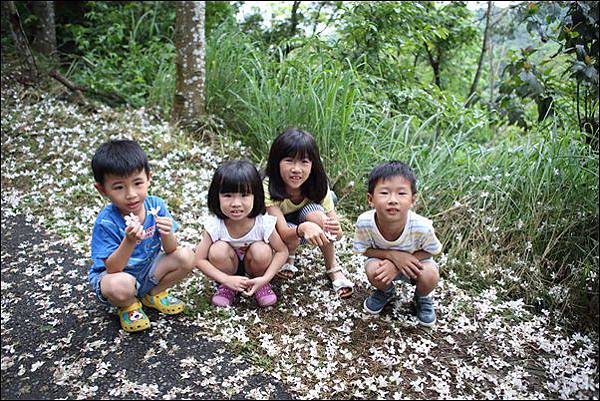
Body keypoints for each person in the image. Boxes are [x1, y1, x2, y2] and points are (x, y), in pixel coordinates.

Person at [89, 139, 195, 333]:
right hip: (118, 277)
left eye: (137, 183)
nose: (131, 194)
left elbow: (171, 250)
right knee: (118, 285)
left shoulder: (156, 206)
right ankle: (128, 305)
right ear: (102, 190)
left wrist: (167, 232)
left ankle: (152, 295)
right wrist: (129, 241)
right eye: (119, 187)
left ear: (148, 178)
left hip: (148, 271)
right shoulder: (107, 222)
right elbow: (112, 268)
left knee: (187, 256)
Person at [264, 128, 354, 298]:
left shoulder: (319, 185)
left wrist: (333, 229)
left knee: (319, 217)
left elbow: (339, 234)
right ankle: (289, 255)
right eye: (289, 160)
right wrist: (302, 228)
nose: (296, 169)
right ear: (276, 162)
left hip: (307, 219)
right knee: (289, 232)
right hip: (283, 228)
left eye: (304, 162)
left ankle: (333, 268)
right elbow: (282, 232)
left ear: (313, 164)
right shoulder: (268, 187)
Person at [353, 161, 443, 326]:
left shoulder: (422, 226)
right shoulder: (365, 222)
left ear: (413, 199)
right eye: (385, 193)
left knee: (430, 275)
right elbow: (364, 250)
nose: (393, 200)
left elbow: (432, 251)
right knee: (373, 270)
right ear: (370, 199)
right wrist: (392, 257)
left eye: (401, 193)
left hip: (416, 264)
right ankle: (386, 292)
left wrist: (402, 262)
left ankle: (421, 297)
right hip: (383, 263)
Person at [195, 160, 288, 308]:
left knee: (262, 250)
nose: (236, 203)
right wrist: (225, 279)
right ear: (216, 196)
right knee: (217, 249)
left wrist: (266, 278)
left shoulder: (262, 223)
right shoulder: (215, 225)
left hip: (255, 266)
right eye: (228, 195)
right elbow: (199, 259)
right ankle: (228, 287)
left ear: (255, 196)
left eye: (244, 195)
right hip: (228, 267)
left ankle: (259, 284)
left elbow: (282, 251)